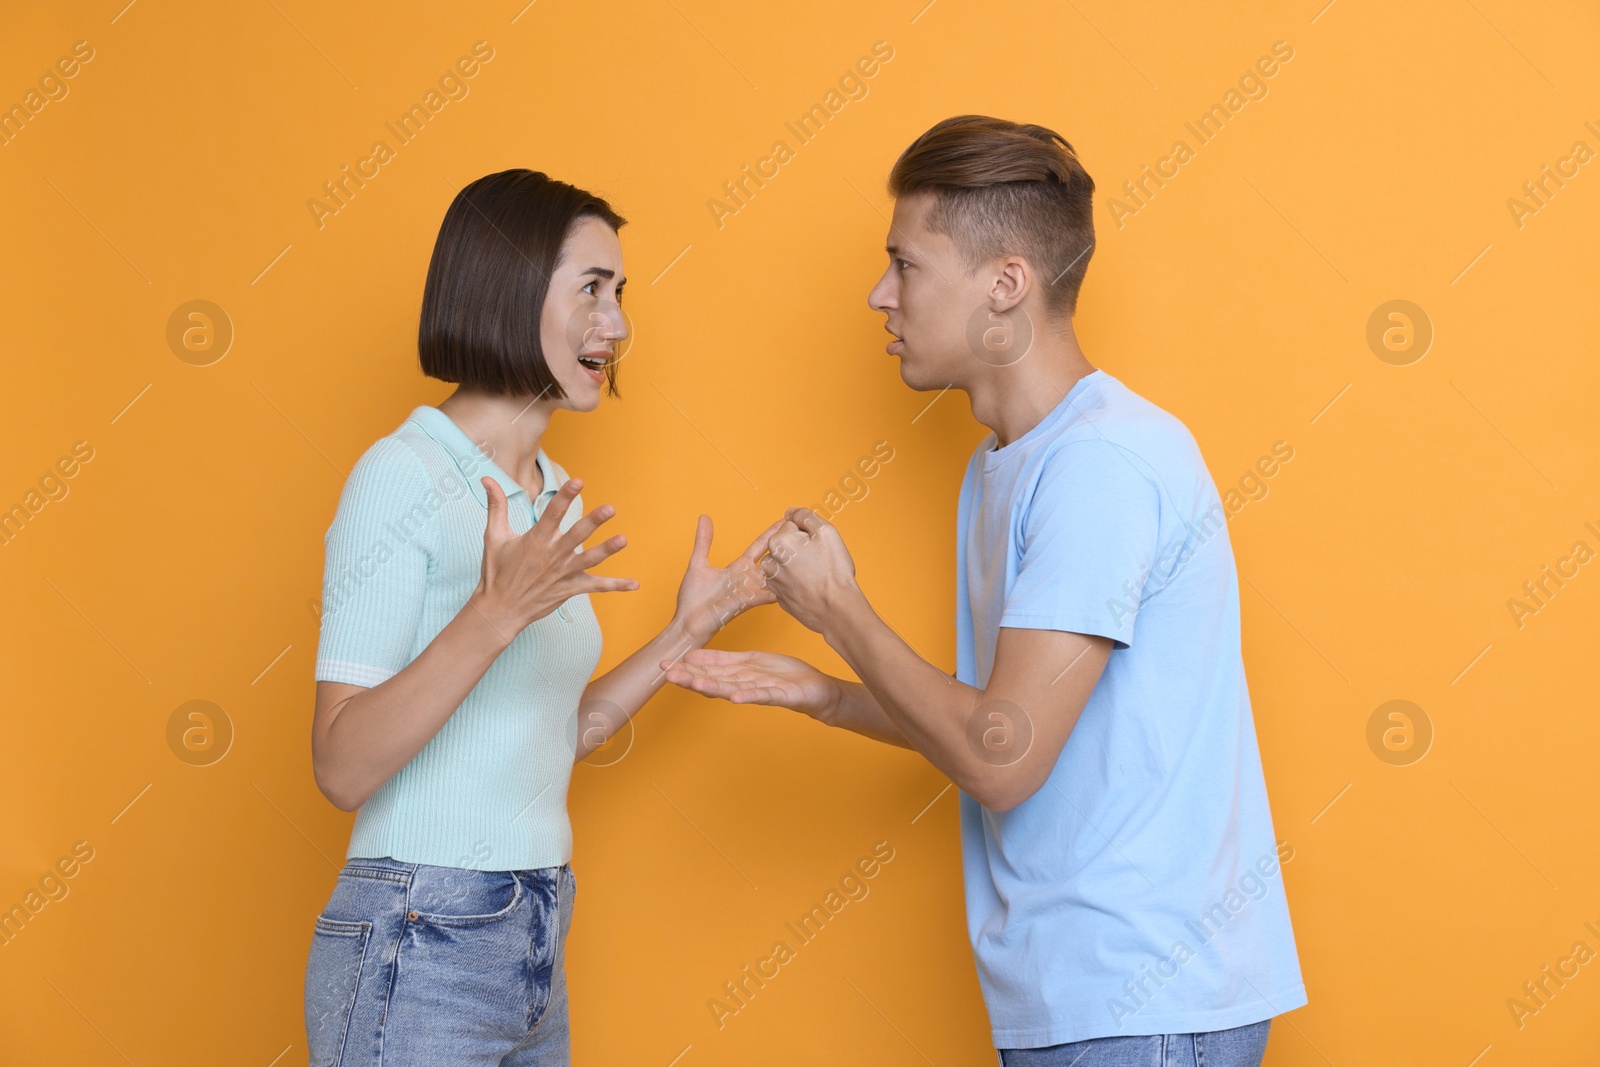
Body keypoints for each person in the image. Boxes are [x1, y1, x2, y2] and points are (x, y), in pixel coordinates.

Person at [661, 116, 1307, 1066]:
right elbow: (1013, 720)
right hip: (1086, 999)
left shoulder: (1102, 466)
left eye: (906, 265)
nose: (880, 295)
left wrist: (839, 611)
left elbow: (1001, 759)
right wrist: (832, 697)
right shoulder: (1008, 462)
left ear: (1006, 284)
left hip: (1138, 1002)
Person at [305, 168, 778, 1067]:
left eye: (621, 293)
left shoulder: (548, 495)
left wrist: (692, 627)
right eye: (592, 290)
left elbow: (551, 732)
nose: (620, 325)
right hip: (419, 931)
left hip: (532, 929)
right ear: (509, 289)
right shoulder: (402, 476)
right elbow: (340, 761)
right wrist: (495, 613)